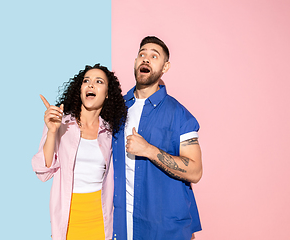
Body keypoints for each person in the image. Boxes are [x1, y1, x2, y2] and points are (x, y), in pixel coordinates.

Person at [112, 36, 203, 240]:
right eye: (142, 54)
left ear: (165, 67)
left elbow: (196, 171)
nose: (146, 59)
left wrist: (148, 150)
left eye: (154, 56)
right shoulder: (116, 109)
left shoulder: (180, 115)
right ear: (135, 62)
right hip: (122, 224)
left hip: (164, 229)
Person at [32, 64, 127, 240]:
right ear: (80, 89)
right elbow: (43, 172)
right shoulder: (61, 123)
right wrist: (52, 131)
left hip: (101, 219)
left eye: (99, 81)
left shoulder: (110, 132)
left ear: (107, 93)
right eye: (86, 81)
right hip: (68, 219)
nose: (91, 85)